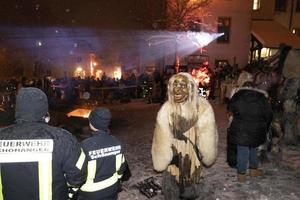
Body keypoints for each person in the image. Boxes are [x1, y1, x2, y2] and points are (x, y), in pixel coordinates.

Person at [0, 87, 87, 200]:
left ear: (18, 109)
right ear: (45, 111)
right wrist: (68, 191)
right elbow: (78, 175)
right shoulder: (62, 138)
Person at [151, 72, 218, 200]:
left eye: (183, 85)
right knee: (172, 188)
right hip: (173, 157)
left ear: (191, 88)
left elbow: (207, 136)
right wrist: (161, 158)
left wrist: (207, 153)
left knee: (190, 186)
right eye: (175, 84)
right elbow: (161, 139)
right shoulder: (166, 109)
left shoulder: (202, 107)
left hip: (192, 157)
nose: (178, 88)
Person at [78, 108, 131, 200]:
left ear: (91, 123)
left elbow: (77, 173)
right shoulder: (116, 142)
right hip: (112, 188)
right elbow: (121, 168)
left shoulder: (85, 146)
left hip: (90, 193)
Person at [227, 81, 273, 183]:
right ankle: (253, 170)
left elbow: (230, 108)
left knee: (242, 150)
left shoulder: (237, 95)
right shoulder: (262, 97)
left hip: (240, 128)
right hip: (257, 129)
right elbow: (269, 114)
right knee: (253, 149)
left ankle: (241, 175)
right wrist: (265, 125)